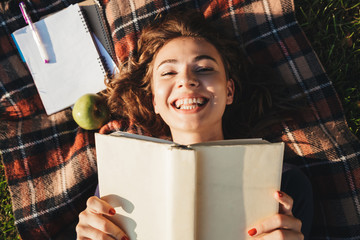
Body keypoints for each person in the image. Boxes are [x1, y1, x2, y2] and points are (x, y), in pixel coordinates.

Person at [76, 10, 313, 240]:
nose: (186, 81)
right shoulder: (119, 183)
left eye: (204, 69)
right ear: (154, 101)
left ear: (229, 91)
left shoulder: (284, 184)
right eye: (168, 72)